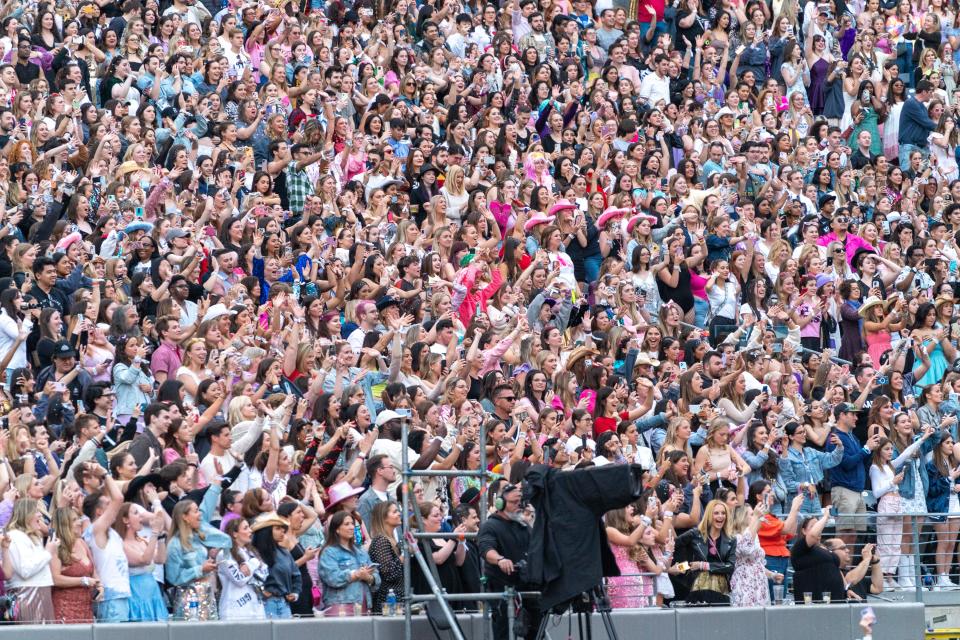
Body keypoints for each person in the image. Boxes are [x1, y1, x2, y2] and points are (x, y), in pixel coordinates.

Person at [478, 483, 541, 640]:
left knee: (535, 631)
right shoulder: (490, 526)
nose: (519, 506)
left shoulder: (523, 525)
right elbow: (486, 549)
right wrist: (500, 560)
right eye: (514, 502)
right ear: (500, 504)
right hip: (503, 590)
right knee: (503, 633)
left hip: (526, 587)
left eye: (520, 502)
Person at [674, 499, 737, 605]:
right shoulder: (694, 534)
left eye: (723, 513)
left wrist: (703, 565)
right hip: (698, 587)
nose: (720, 516)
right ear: (709, 515)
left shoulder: (731, 539)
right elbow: (673, 547)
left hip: (721, 589)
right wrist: (680, 567)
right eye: (716, 513)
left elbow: (730, 566)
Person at [318, 510, 379, 616]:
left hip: (364, 605)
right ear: (337, 529)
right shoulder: (329, 552)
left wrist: (368, 578)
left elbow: (377, 577)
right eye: (347, 524)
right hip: (340, 607)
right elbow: (332, 578)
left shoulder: (360, 550)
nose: (351, 527)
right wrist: (355, 574)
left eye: (352, 524)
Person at [217, 518, 269, 621]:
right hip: (235, 610)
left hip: (256, 608)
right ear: (234, 533)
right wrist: (254, 563)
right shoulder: (224, 554)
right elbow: (239, 579)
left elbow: (265, 573)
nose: (250, 531)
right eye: (246, 528)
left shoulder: (251, 552)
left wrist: (250, 564)